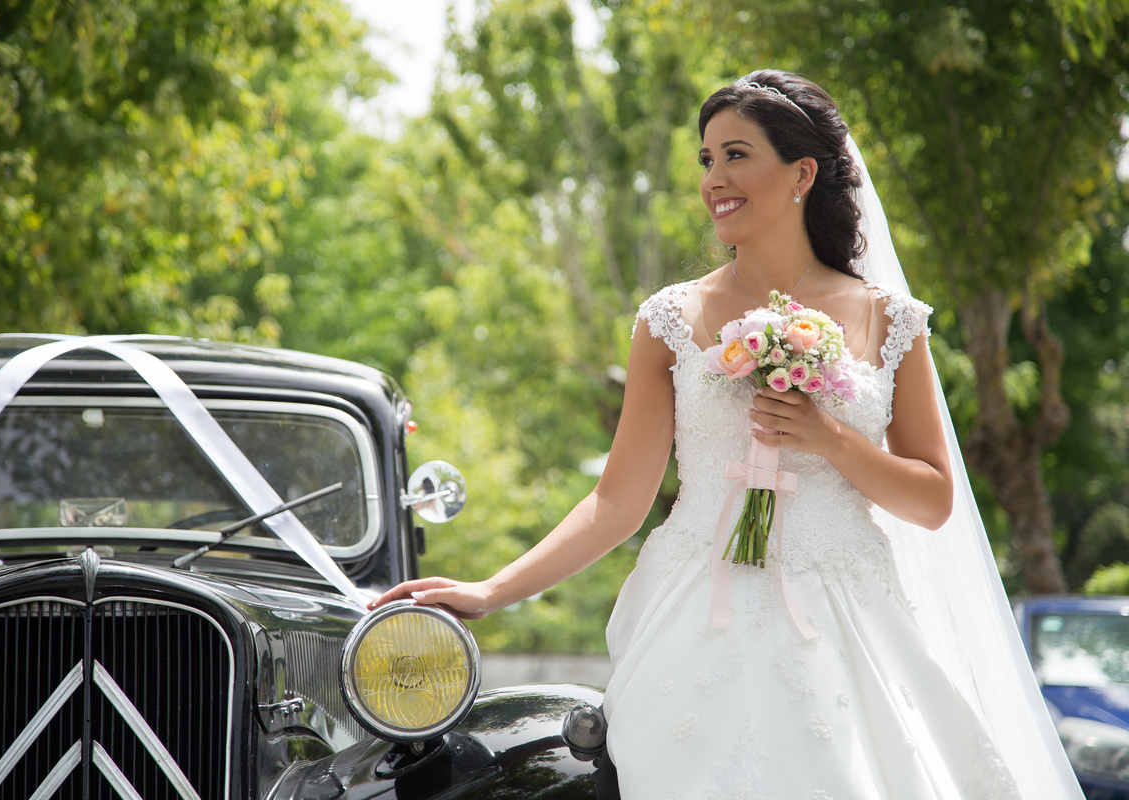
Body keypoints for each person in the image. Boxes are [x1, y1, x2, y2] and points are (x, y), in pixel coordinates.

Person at [370, 70, 1083, 799]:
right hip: (695, 618)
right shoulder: (668, 319)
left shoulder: (890, 320)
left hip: (849, 622)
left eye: (736, 154)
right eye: (707, 159)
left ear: (801, 172)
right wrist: (490, 591)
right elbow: (617, 504)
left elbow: (934, 500)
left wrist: (832, 439)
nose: (715, 178)